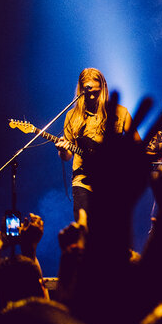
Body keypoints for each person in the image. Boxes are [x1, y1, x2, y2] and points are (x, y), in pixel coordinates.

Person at [55, 68, 135, 220]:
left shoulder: (120, 112)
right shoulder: (72, 116)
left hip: (112, 182)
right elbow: (67, 157)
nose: (91, 96)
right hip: (82, 182)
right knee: (84, 233)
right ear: (81, 90)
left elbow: (136, 146)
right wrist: (62, 150)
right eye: (88, 92)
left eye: (96, 92)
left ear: (103, 88)